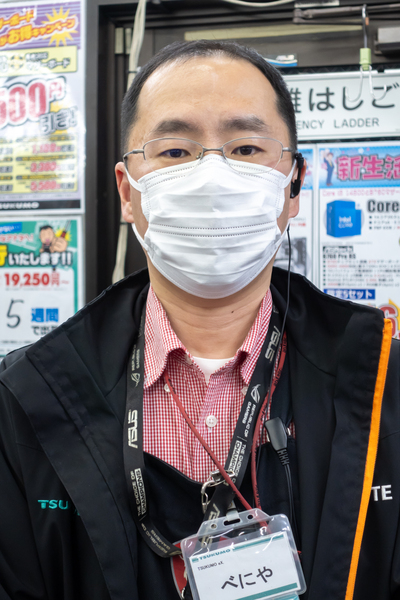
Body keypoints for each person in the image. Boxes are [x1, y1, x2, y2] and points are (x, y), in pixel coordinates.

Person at [0, 40, 399, 600]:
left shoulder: (386, 381)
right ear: (128, 192)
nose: (213, 177)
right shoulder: (26, 395)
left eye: (246, 147)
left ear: (293, 186)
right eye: (175, 151)